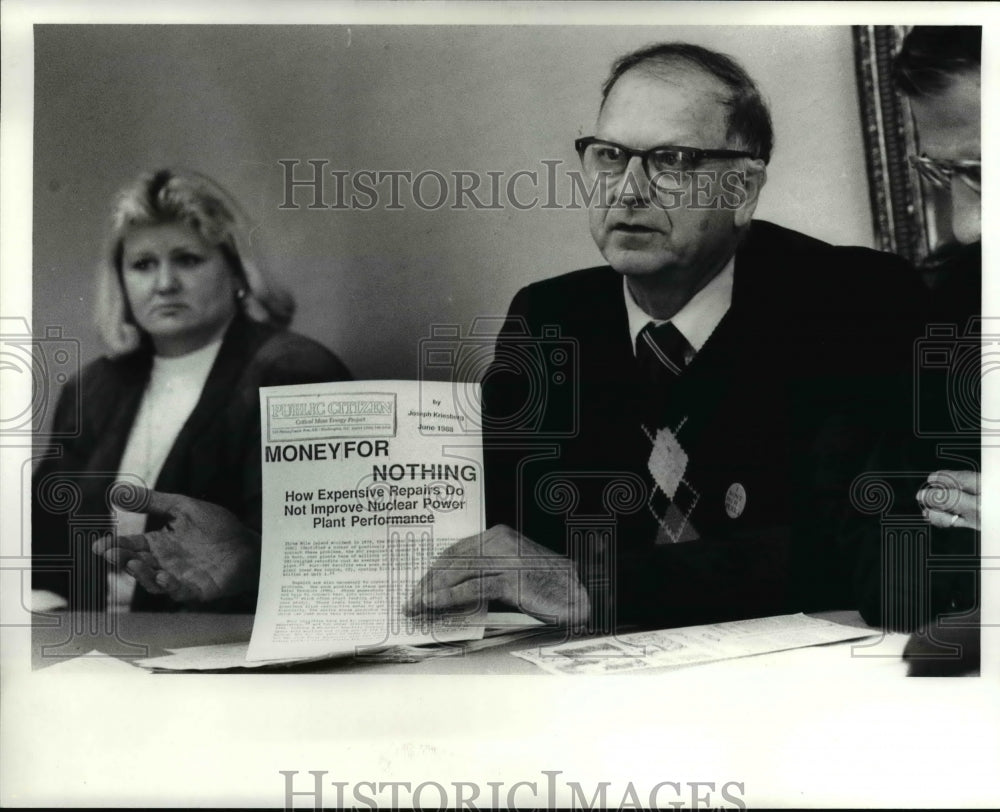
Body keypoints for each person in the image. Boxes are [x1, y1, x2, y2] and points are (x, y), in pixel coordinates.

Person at [95, 44, 921, 631]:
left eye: (668, 160)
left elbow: (845, 544)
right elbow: (461, 518)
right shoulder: (553, 318)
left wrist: (591, 581)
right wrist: (263, 563)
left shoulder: (847, 299)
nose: (627, 190)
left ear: (743, 188)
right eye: (607, 157)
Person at [33, 168, 351, 612]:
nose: (164, 284)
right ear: (121, 281)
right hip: (97, 648)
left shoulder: (294, 373)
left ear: (237, 272)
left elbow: (319, 559)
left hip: (219, 649)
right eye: (143, 265)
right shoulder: (93, 388)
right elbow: (44, 549)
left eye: (187, 259)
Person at [875, 26, 981, 675]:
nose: (966, 224)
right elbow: (888, 562)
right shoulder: (952, 304)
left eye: (982, 172)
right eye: (946, 173)